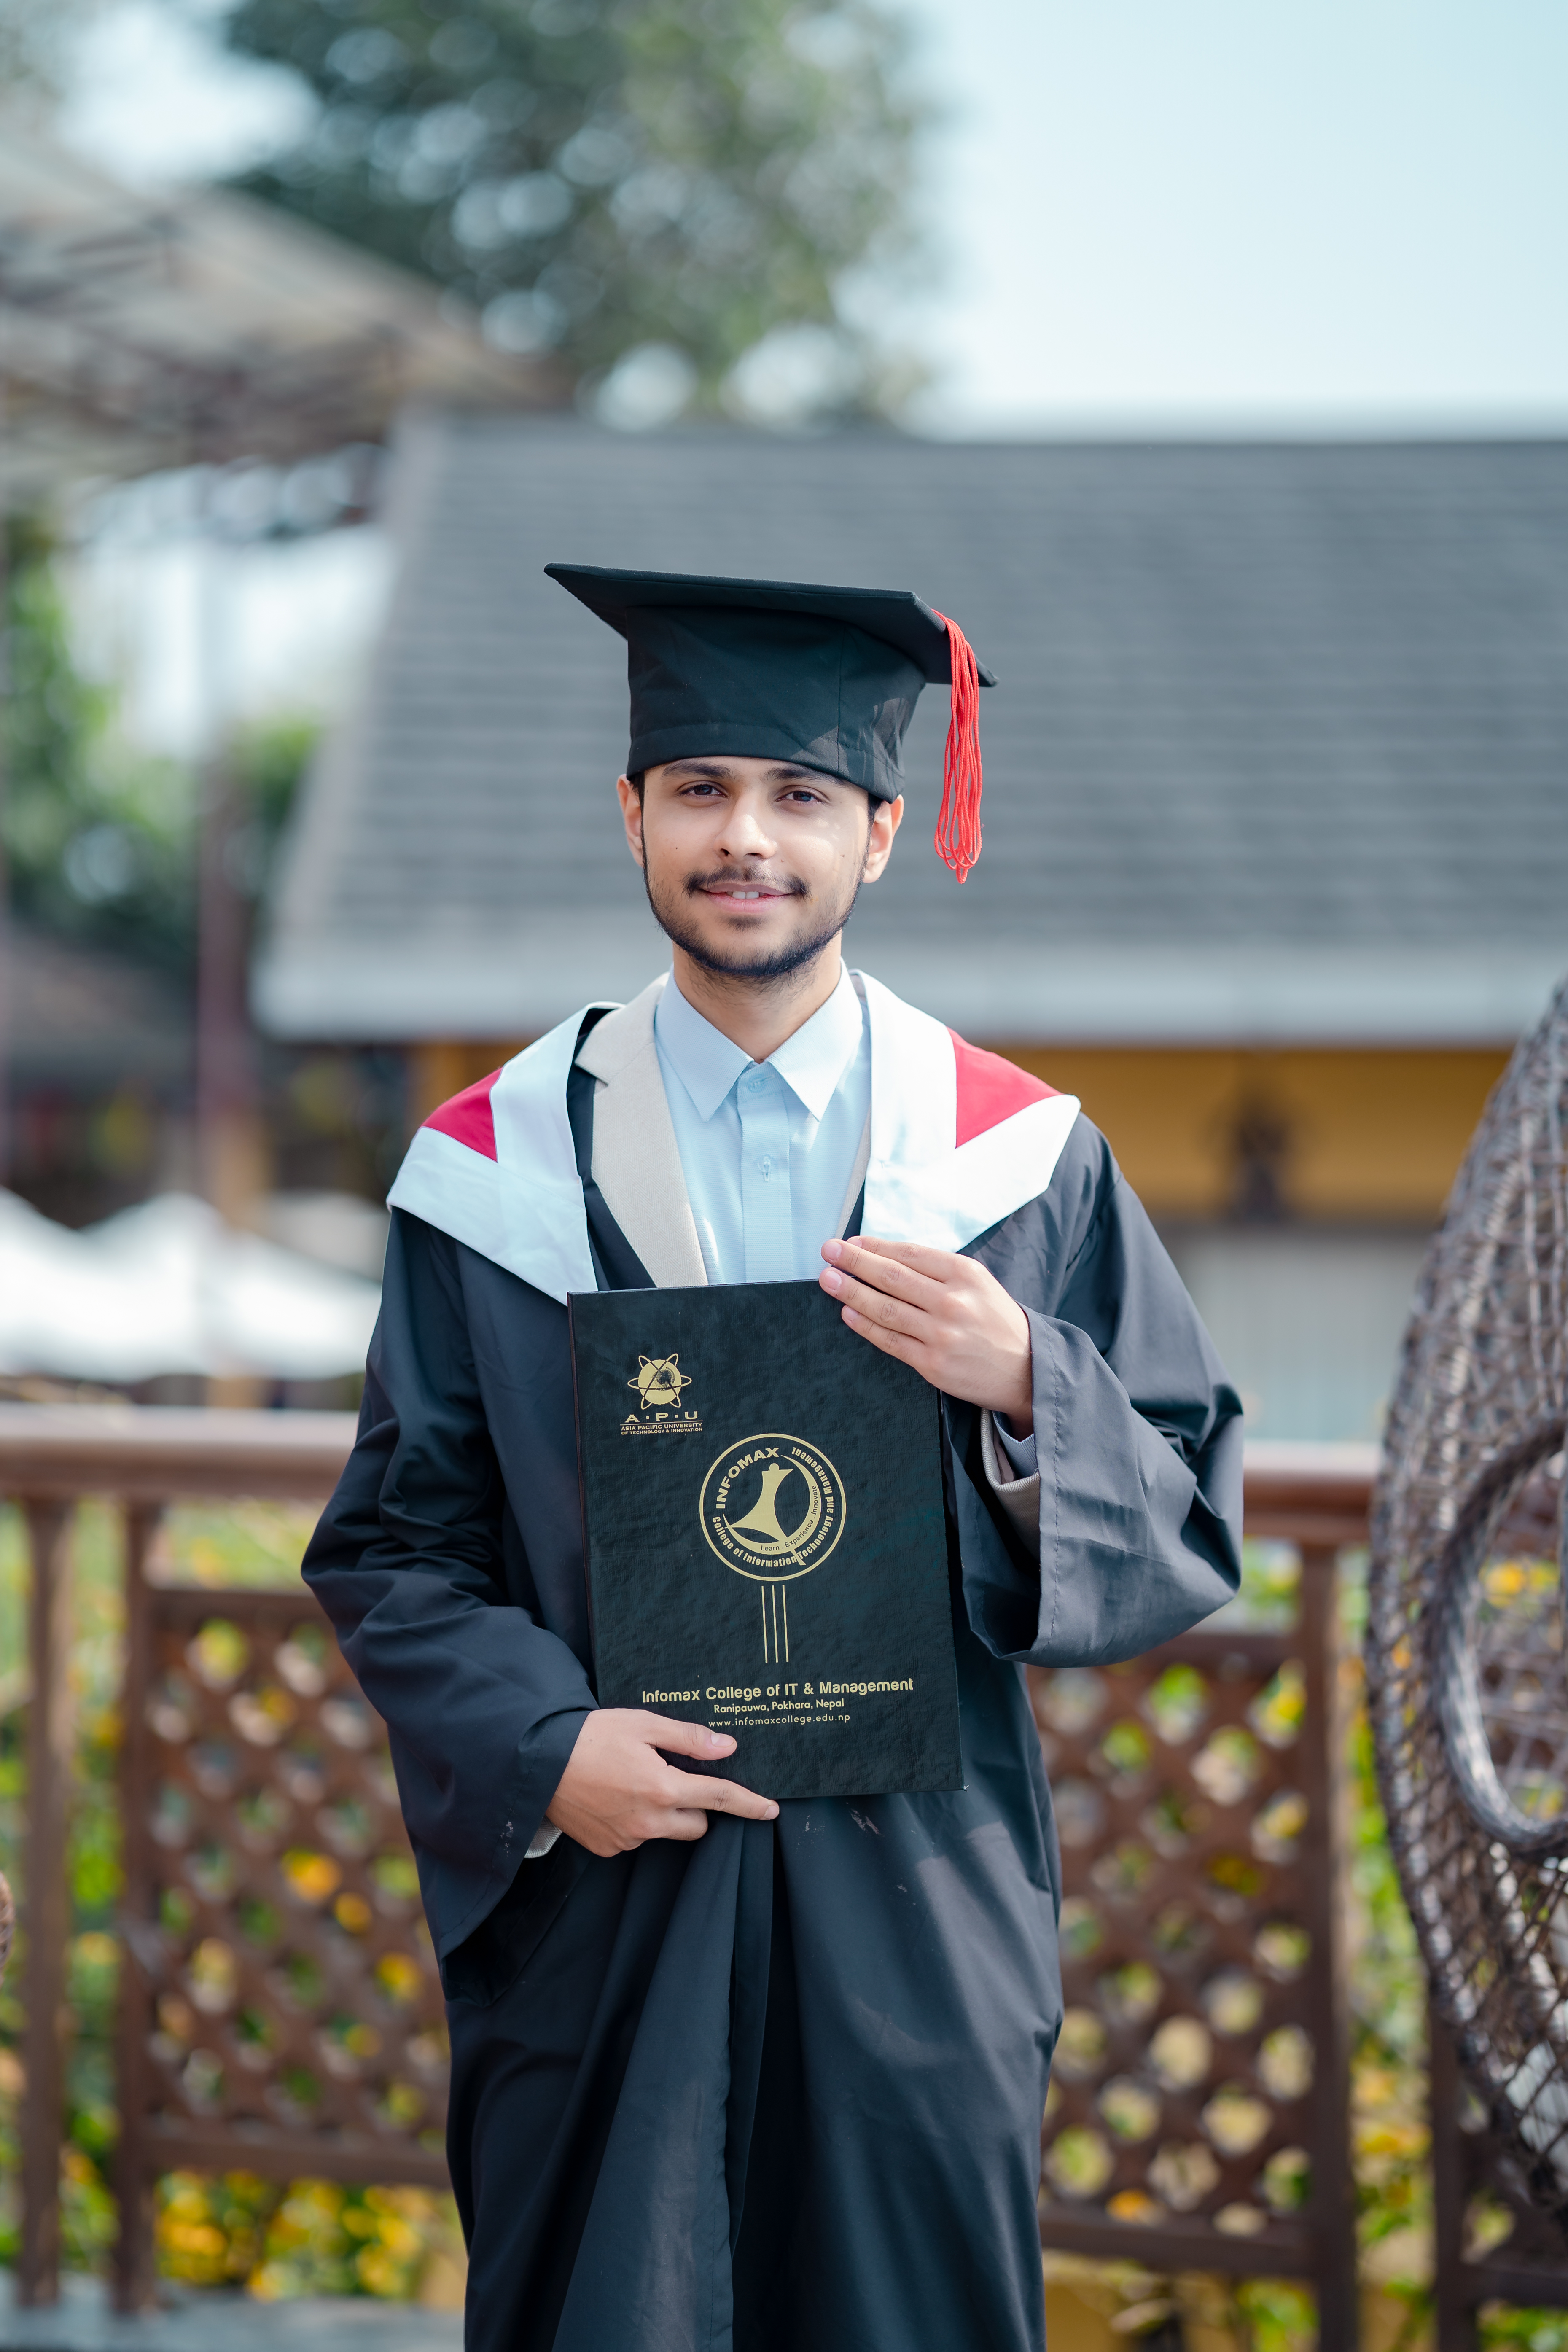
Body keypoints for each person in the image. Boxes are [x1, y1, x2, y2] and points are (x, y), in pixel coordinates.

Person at [304, 566, 1243, 2352]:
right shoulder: (489, 1168)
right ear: (635, 815)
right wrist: (540, 1745)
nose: (749, 838)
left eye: (801, 796)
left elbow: (1190, 1500)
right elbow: (395, 1548)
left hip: (915, 1901)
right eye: (701, 789)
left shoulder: (1016, 1165)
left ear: (882, 834)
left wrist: (1028, 1378)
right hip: (608, 1909)